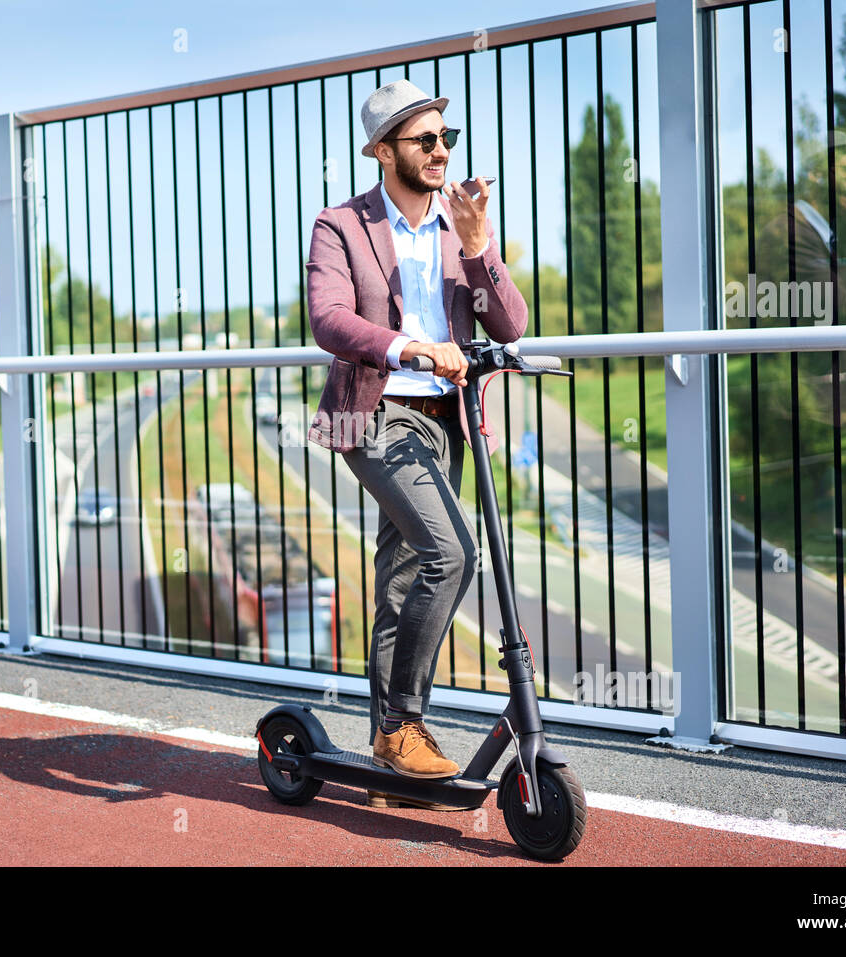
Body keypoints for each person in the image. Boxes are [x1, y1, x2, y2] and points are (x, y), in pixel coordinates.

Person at [304, 80, 528, 807]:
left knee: (402, 581)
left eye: (445, 138)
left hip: (442, 421)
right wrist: (412, 348)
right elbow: (330, 320)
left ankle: (387, 754)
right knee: (451, 551)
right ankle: (405, 722)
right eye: (423, 139)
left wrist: (480, 250)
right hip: (373, 412)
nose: (440, 151)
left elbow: (509, 325)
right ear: (381, 150)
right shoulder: (340, 226)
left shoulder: (456, 229)